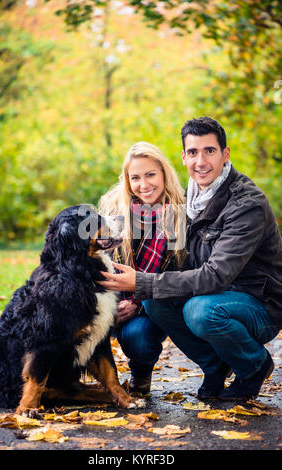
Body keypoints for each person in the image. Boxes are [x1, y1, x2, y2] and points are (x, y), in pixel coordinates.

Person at [100, 117, 282, 401]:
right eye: (193, 152)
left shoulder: (246, 203)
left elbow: (215, 275)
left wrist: (141, 282)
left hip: (257, 303)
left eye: (210, 151)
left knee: (200, 311)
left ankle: (254, 365)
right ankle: (214, 366)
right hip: (215, 294)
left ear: (225, 154)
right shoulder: (188, 201)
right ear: (184, 158)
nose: (201, 161)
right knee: (154, 298)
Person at [99, 141, 186, 393]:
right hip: (118, 297)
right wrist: (111, 307)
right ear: (126, 180)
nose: (144, 185)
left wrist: (137, 301)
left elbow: (182, 272)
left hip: (161, 300)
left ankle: (141, 368)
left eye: (150, 175)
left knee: (137, 336)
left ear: (164, 173)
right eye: (135, 177)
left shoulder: (182, 210)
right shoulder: (115, 208)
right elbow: (102, 263)